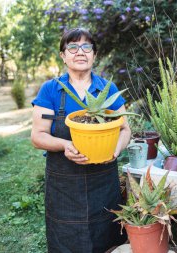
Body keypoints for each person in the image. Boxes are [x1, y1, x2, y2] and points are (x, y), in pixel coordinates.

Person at [31, 28, 129, 253]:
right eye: (72, 47)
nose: (80, 52)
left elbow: (125, 129)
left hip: (104, 182)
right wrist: (65, 144)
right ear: (63, 56)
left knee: (107, 237)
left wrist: (115, 150)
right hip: (65, 187)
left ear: (94, 54)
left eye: (87, 47)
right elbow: (38, 136)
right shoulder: (51, 90)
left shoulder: (107, 89)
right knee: (66, 241)